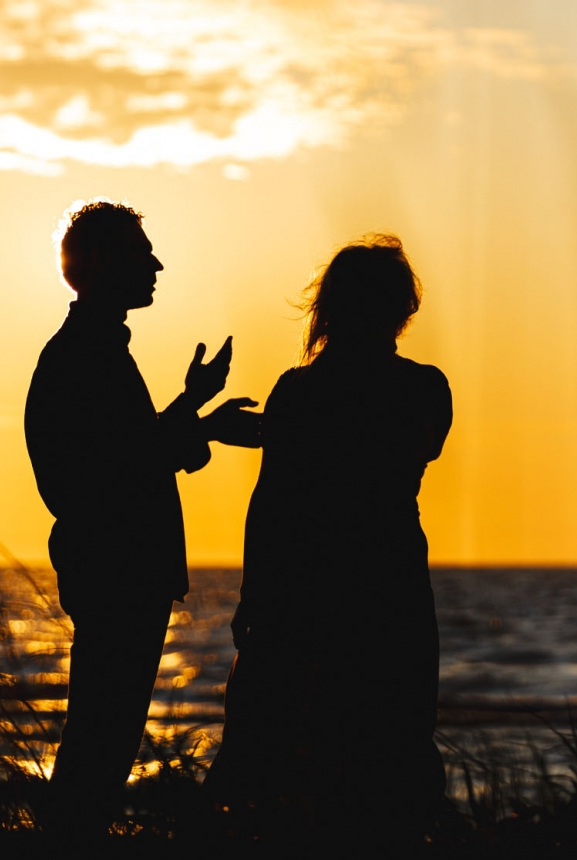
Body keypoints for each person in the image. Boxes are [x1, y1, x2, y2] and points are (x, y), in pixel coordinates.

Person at [205, 235, 452, 852]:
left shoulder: (300, 392)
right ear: (402, 310)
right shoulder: (423, 387)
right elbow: (416, 444)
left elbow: (270, 507)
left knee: (299, 742)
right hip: (388, 581)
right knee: (390, 734)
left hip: (305, 585)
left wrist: (251, 597)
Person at [24, 198, 259, 836]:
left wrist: (191, 406)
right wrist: (201, 423)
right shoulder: (84, 355)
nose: (156, 265)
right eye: (139, 252)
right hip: (117, 572)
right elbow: (113, 470)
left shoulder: (90, 350)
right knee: (102, 741)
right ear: (101, 263)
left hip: (117, 570)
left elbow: (125, 454)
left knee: (103, 738)